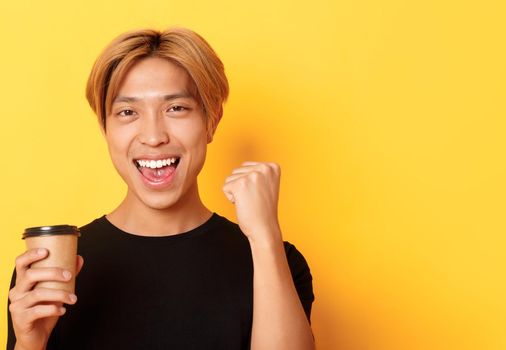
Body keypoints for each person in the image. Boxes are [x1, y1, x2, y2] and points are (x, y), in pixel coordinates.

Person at [6, 27, 316, 350]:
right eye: (128, 112)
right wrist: (30, 343)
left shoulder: (276, 262)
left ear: (212, 120)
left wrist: (265, 238)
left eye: (176, 108)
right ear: (105, 128)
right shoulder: (53, 273)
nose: (153, 136)